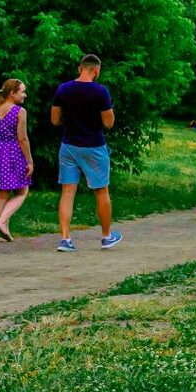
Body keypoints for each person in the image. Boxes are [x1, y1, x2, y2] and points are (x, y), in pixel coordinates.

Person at [51, 54, 120, 251]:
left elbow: (55, 120)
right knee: (101, 190)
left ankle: (65, 239)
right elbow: (109, 123)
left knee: (67, 191)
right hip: (94, 146)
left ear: (79, 68)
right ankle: (107, 236)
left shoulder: (63, 89)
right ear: (96, 71)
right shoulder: (100, 92)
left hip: (69, 145)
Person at [0, 78, 33, 241]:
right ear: (12, 93)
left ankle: (4, 233)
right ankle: (2, 221)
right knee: (23, 191)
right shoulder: (19, 111)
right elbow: (22, 139)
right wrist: (29, 160)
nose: (25, 95)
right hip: (13, 153)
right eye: (22, 91)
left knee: (2, 194)